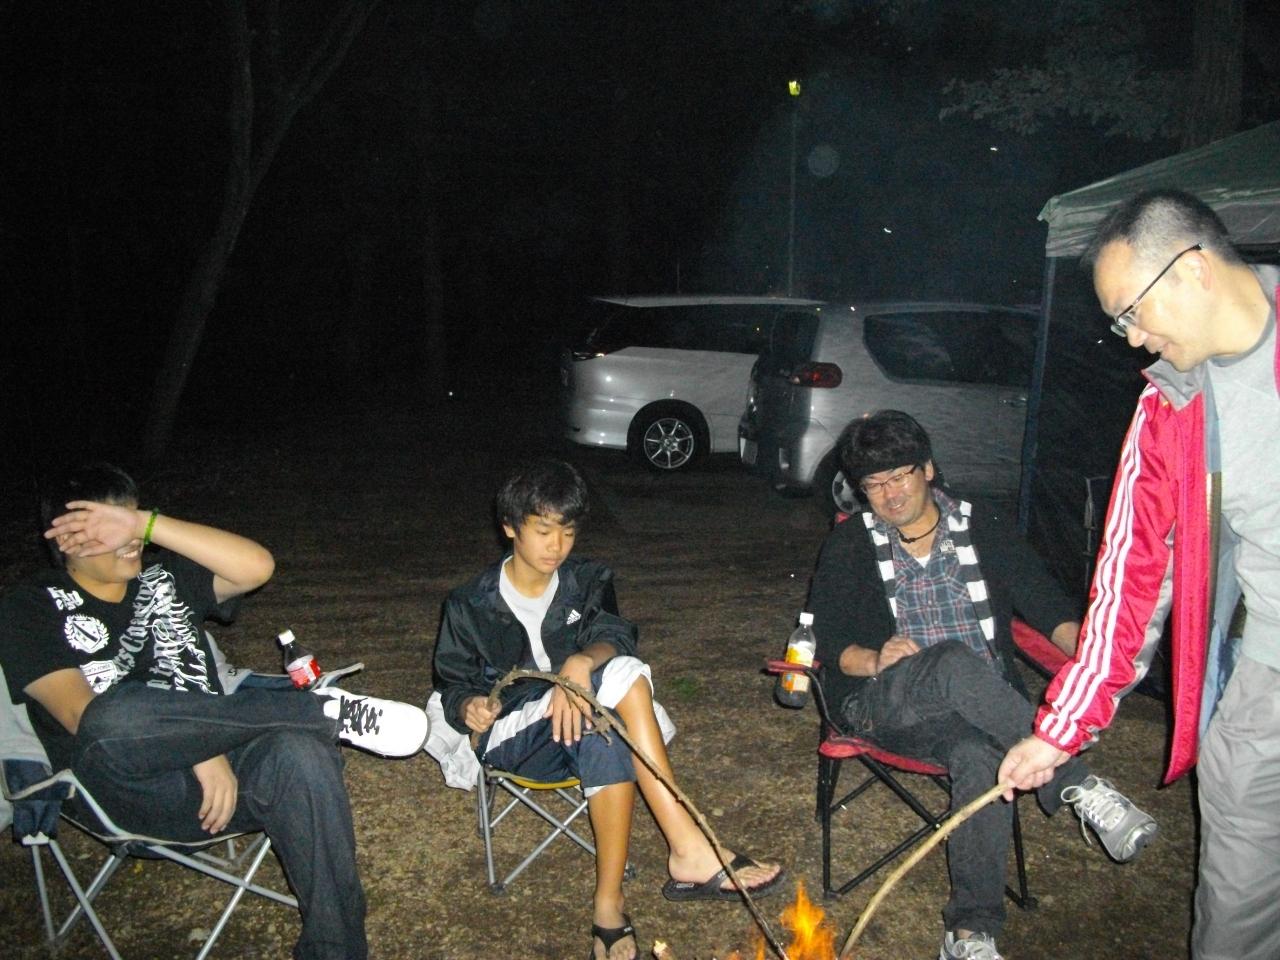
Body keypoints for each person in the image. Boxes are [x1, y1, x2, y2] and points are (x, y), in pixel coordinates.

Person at [999, 189, 1280, 960]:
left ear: (1192, 270)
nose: (1130, 339)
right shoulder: (1168, 413)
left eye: (1131, 312)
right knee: (1237, 918)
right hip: (1266, 685)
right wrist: (1059, 732)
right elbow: (1130, 581)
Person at [0, 463, 430, 960]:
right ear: (65, 536)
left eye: (130, 521)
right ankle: (313, 710)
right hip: (127, 789)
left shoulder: (166, 579)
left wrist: (146, 523)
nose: (129, 539)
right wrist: (202, 748)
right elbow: (80, 717)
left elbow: (257, 566)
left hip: (219, 784)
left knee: (300, 756)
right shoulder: (31, 606)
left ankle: (335, 949)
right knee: (112, 713)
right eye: (108, 526)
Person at [807, 411, 1156, 960]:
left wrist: (1099, 663)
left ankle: (969, 933)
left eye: (899, 476)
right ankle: (1077, 784)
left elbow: (1045, 604)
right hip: (883, 703)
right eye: (874, 484)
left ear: (928, 469)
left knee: (980, 754)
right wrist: (874, 658)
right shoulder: (852, 543)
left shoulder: (982, 524)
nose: (889, 494)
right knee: (949, 662)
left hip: (980, 709)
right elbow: (825, 640)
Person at [429, 458, 783, 960]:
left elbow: (614, 634)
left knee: (608, 729)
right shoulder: (469, 603)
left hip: (586, 723)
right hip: (515, 736)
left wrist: (579, 663)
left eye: (568, 532)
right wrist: (468, 706)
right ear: (510, 527)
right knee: (623, 677)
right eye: (543, 531)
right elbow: (453, 681)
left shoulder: (588, 579)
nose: (557, 546)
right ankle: (687, 846)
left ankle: (609, 906)